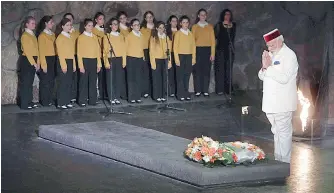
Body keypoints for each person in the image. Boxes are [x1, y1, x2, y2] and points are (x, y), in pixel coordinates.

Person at [258, 29, 299, 163]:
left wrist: (268, 68)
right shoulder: (271, 54)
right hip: (271, 103)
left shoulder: (289, 55)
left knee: (284, 133)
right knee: (277, 133)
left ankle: (285, 162)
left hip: (283, 103)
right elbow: (261, 76)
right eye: (268, 45)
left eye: (271, 45)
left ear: (280, 41)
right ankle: (278, 160)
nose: (269, 48)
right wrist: (264, 67)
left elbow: (284, 78)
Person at [77, 19, 102, 106]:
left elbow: (98, 52)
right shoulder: (81, 37)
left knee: (93, 81)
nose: (91, 27)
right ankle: (82, 100)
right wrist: (81, 66)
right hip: (85, 61)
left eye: (92, 25)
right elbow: (79, 53)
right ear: (85, 26)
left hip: (94, 61)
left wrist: (99, 64)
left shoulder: (95, 37)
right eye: (89, 25)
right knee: (83, 82)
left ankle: (92, 100)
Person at [191, 9, 215, 97]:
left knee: (206, 71)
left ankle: (205, 90)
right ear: (198, 16)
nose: (203, 16)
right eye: (201, 15)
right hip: (197, 50)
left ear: (206, 16)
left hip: (207, 50)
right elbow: (192, 42)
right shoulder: (194, 27)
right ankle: (198, 90)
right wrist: (193, 54)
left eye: (204, 15)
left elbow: (213, 41)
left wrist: (212, 54)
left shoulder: (210, 27)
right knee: (197, 71)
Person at [103, 18, 127, 105]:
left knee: (118, 79)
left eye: (117, 24)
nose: (115, 25)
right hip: (110, 59)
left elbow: (124, 49)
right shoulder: (107, 36)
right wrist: (106, 62)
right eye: (113, 24)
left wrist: (124, 61)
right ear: (110, 25)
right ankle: (111, 97)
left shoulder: (121, 36)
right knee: (111, 79)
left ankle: (117, 96)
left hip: (119, 59)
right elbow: (105, 51)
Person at [18, 16, 40, 109]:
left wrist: (38, 62)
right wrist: (33, 63)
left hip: (33, 60)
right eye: (32, 23)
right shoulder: (25, 36)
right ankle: (24, 104)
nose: (34, 25)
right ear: (27, 24)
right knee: (26, 83)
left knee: (30, 82)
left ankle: (29, 101)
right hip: (27, 61)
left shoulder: (32, 35)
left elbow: (36, 50)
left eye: (34, 23)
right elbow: (27, 51)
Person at [173, 15, 196, 101]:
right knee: (180, 77)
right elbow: (175, 48)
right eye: (183, 22)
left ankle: (186, 93)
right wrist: (177, 59)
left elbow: (193, 47)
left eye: (187, 22)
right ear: (180, 24)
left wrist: (193, 58)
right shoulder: (178, 34)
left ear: (189, 24)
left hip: (189, 56)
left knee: (187, 76)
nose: (185, 24)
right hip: (180, 56)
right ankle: (180, 94)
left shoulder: (190, 34)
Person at [55, 18, 76, 109]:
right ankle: (61, 102)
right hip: (63, 61)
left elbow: (72, 52)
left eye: (70, 25)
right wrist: (63, 65)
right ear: (62, 26)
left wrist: (74, 64)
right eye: (67, 25)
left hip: (70, 61)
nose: (69, 27)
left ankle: (67, 101)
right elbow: (60, 53)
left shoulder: (70, 37)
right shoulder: (60, 38)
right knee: (63, 83)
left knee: (68, 83)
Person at [214, 9, 236, 95]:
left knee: (228, 69)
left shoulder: (234, 25)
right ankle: (220, 89)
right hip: (220, 50)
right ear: (223, 15)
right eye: (226, 14)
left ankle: (228, 89)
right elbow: (215, 37)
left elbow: (232, 37)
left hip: (230, 50)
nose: (227, 16)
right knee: (220, 69)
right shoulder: (219, 25)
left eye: (229, 14)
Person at [149, 21, 172, 102]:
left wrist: (169, 61)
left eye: (163, 27)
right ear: (156, 28)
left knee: (164, 79)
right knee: (157, 79)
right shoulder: (153, 38)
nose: (162, 29)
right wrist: (153, 62)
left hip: (164, 59)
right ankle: (156, 96)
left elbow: (169, 50)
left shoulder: (166, 38)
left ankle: (162, 95)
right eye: (160, 28)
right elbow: (151, 51)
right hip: (156, 60)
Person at [37, 15, 56, 107]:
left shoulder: (53, 34)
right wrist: (43, 65)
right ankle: (44, 100)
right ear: (45, 23)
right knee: (45, 81)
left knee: (51, 81)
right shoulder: (42, 36)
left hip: (53, 59)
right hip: (46, 59)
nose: (53, 24)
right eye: (51, 22)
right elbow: (41, 51)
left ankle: (50, 99)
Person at [125, 19, 145, 104]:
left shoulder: (142, 35)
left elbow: (142, 47)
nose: (138, 26)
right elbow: (125, 49)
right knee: (131, 79)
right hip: (131, 58)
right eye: (135, 25)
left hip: (139, 58)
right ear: (132, 26)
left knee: (138, 78)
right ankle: (131, 97)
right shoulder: (128, 36)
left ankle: (137, 96)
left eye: (138, 24)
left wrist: (143, 56)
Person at [63, 13, 81, 103]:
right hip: (66, 57)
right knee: (67, 78)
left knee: (75, 77)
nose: (69, 21)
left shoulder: (76, 33)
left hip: (75, 56)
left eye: (70, 19)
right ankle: (66, 97)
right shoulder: (62, 34)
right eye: (67, 19)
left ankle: (74, 96)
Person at [140, 11, 157, 98]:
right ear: (145, 19)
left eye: (151, 17)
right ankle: (145, 91)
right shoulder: (142, 29)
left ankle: (154, 91)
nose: (149, 19)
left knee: (155, 71)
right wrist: (142, 53)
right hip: (146, 51)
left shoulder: (157, 28)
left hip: (156, 52)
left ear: (153, 17)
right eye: (147, 17)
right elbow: (141, 42)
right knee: (146, 72)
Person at [92, 12, 106, 101]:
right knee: (97, 75)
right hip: (96, 54)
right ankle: (96, 94)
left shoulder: (104, 29)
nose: (102, 21)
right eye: (100, 19)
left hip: (104, 54)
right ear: (96, 20)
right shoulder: (94, 30)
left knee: (103, 75)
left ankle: (103, 93)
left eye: (103, 19)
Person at [166, 15, 179, 97]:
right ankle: (171, 91)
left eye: (176, 21)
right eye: (173, 21)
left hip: (177, 53)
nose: (174, 22)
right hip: (170, 53)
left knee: (177, 73)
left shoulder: (180, 31)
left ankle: (178, 90)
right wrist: (168, 57)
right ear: (170, 22)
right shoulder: (167, 31)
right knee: (170, 73)